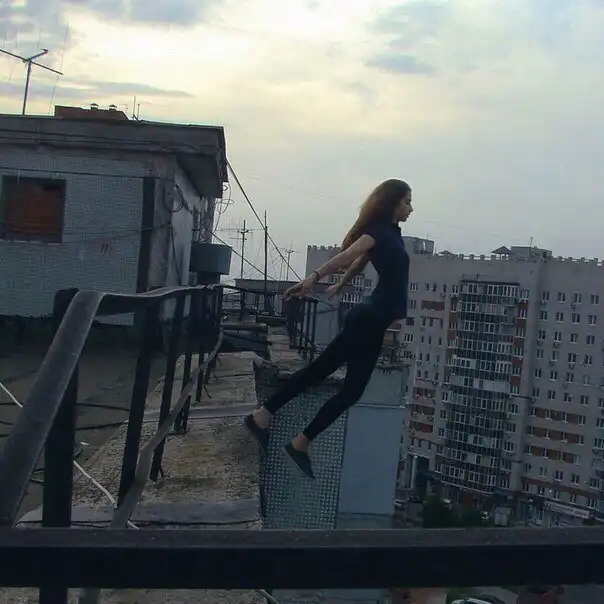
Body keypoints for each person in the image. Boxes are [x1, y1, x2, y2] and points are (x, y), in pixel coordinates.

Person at [244, 178, 413, 478]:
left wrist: (342, 284)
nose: (411, 208)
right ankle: (287, 433)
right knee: (339, 385)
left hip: (372, 321)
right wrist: (314, 278)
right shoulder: (377, 231)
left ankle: (275, 424)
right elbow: (347, 256)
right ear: (392, 203)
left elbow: (359, 262)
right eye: (407, 202)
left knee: (329, 379)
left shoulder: (391, 235)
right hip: (368, 321)